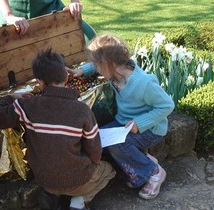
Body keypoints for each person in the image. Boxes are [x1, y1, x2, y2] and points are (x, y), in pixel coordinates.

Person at [0, 48, 116, 210]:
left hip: (44, 179)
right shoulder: (82, 110)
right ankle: (78, 202)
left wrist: (10, 97)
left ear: (39, 81)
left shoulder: (28, 106)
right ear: (66, 76)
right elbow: (95, 151)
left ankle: (52, 194)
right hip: (78, 180)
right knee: (109, 171)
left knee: (59, 178)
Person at [68, 34, 175, 200]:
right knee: (97, 138)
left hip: (151, 129)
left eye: (97, 65)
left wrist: (139, 123)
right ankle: (143, 161)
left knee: (118, 144)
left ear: (107, 64)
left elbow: (167, 105)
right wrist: (81, 71)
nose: (95, 68)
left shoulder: (143, 83)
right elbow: (96, 64)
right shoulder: (116, 72)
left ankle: (154, 172)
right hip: (124, 122)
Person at [0, 0, 96, 42]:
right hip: (14, 14)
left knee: (89, 36)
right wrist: (9, 15)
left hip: (49, 7)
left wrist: (75, 2)